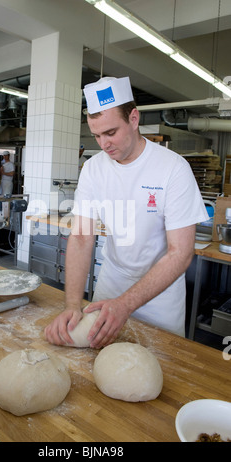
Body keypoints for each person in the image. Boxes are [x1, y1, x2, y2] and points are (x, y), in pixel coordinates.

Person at [44, 76, 209, 349]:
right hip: (111, 282)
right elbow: (82, 237)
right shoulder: (94, 169)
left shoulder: (172, 168)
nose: (104, 144)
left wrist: (126, 304)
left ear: (134, 118)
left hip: (160, 297)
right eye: (96, 135)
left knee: (160, 368)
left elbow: (180, 252)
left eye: (110, 133)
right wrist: (72, 305)